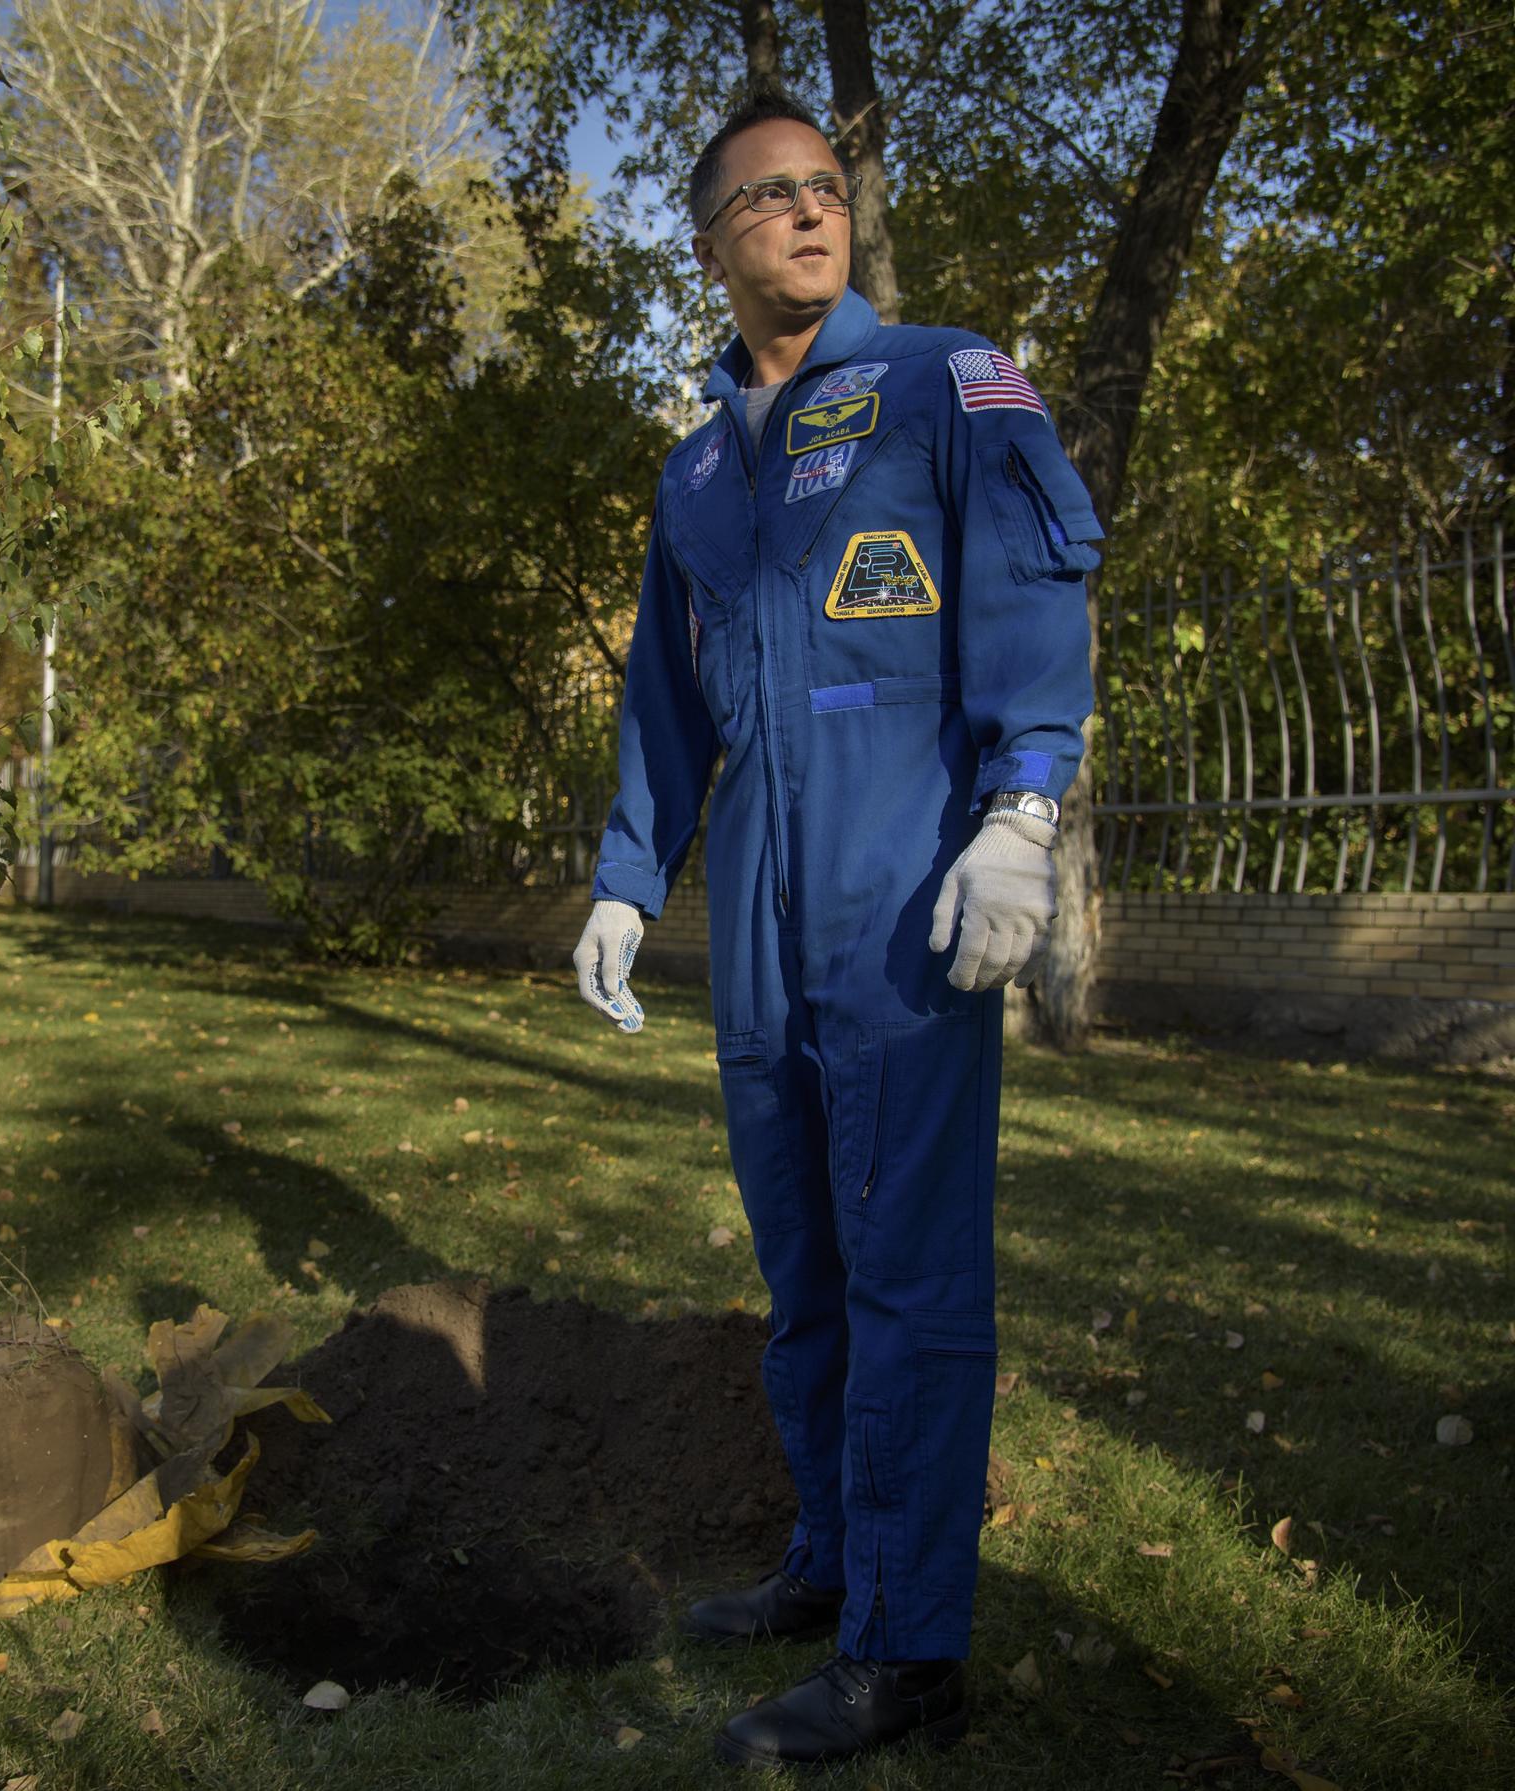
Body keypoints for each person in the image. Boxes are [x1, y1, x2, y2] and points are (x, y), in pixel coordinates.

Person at [571, 79, 1103, 1770]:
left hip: (902, 885)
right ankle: (830, 1558)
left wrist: (1021, 814)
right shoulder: (698, 469)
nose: (809, 208)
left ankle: (908, 1647)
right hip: (757, 899)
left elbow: (1035, 592)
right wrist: (630, 873)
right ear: (709, 244)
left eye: (823, 185)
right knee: (802, 1265)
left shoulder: (949, 380)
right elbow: (666, 695)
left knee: (908, 1277)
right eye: (766, 193)